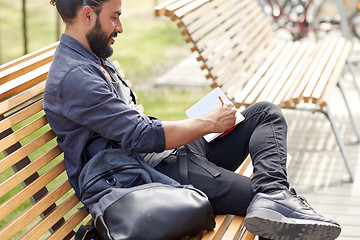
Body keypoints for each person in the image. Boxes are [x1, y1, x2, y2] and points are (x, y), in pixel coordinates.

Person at [44, 0, 341, 239]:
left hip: (167, 157)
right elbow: (140, 135)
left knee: (264, 113)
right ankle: (275, 198)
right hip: (153, 176)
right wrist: (210, 122)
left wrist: (204, 124)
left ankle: (275, 193)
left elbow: (135, 128)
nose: (119, 26)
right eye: (114, 17)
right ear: (87, 15)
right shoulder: (76, 78)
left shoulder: (92, 58)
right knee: (261, 202)